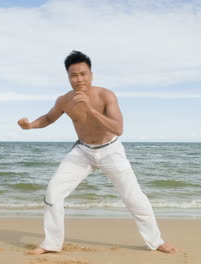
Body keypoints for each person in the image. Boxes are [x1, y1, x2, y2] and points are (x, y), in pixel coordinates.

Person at [17, 50, 176, 255]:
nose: (79, 79)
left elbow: (118, 129)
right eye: (74, 75)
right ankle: (51, 243)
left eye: (83, 74)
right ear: (68, 77)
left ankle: (156, 241)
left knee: (134, 197)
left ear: (91, 74)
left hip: (111, 151)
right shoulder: (64, 100)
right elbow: (48, 118)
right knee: (53, 192)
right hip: (83, 151)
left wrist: (90, 109)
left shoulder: (105, 95)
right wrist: (29, 126)